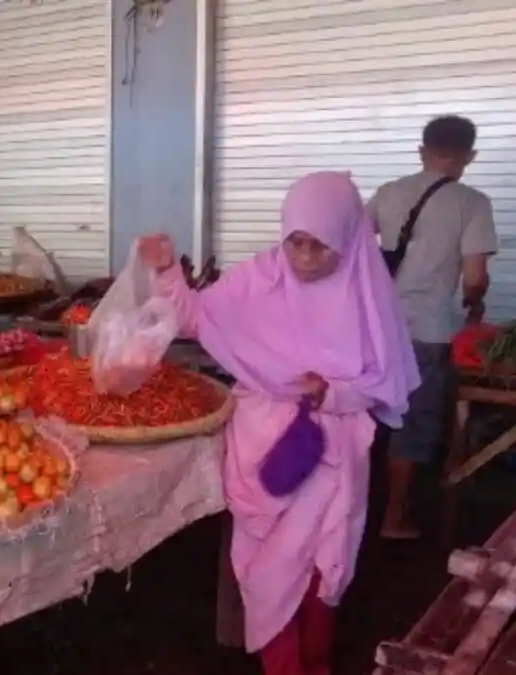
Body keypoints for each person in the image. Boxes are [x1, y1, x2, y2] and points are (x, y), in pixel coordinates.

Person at [138, 172, 419, 675]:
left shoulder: (368, 294)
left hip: (331, 455)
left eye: (321, 247)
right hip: (262, 450)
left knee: (318, 572)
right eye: (297, 244)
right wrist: (165, 273)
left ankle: (314, 663)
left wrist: (334, 392)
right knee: (265, 572)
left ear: (350, 240)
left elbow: (386, 381)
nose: (306, 259)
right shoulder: (259, 279)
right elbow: (199, 318)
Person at [367, 115, 497, 540]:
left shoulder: (387, 193)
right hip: (428, 332)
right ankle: (394, 517)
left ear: (422, 150)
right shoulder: (472, 202)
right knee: (412, 421)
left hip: (374, 329)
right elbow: (475, 278)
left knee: (365, 415)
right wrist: (474, 306)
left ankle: (354, 508)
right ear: (468, 156)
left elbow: (348, 245)